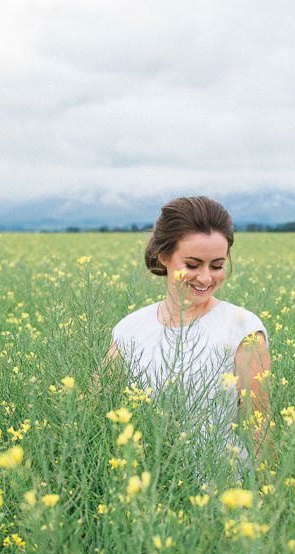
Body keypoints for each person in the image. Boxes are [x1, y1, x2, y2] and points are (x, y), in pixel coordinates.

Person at [106, 196, 271, 479]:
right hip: (149, 500)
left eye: (217, 265)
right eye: (193, 265)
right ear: (163, 256)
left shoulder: (243, 329)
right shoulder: (129, 330)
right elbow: (101, 415)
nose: (205, 278)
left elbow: (260, 430)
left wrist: (268, 500)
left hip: (226, 500)